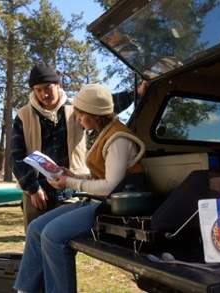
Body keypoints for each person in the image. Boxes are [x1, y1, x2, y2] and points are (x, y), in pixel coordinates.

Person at [13, 83, 146, 293]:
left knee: (53, 236)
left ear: (95, 114)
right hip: (96, 201)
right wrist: (75, 175)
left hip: (112, 208)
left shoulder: (119, 139)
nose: (76, 119)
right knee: (36, 228)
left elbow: (111, 186)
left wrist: (70, 183)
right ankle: (26, 290)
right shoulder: (105, 133)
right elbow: (101, 176)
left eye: (80, 115)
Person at [10, 63, 144, 231]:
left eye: (48, 88)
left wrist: (136, 94)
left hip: (71, 188)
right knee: (34, 234)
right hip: (38, 192)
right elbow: (16, 156)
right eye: (37, 90)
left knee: (62, 240)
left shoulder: (78, 108)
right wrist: (33, 188)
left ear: (58, 85)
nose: (43, 94)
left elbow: (105, 106)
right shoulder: (23, 116)